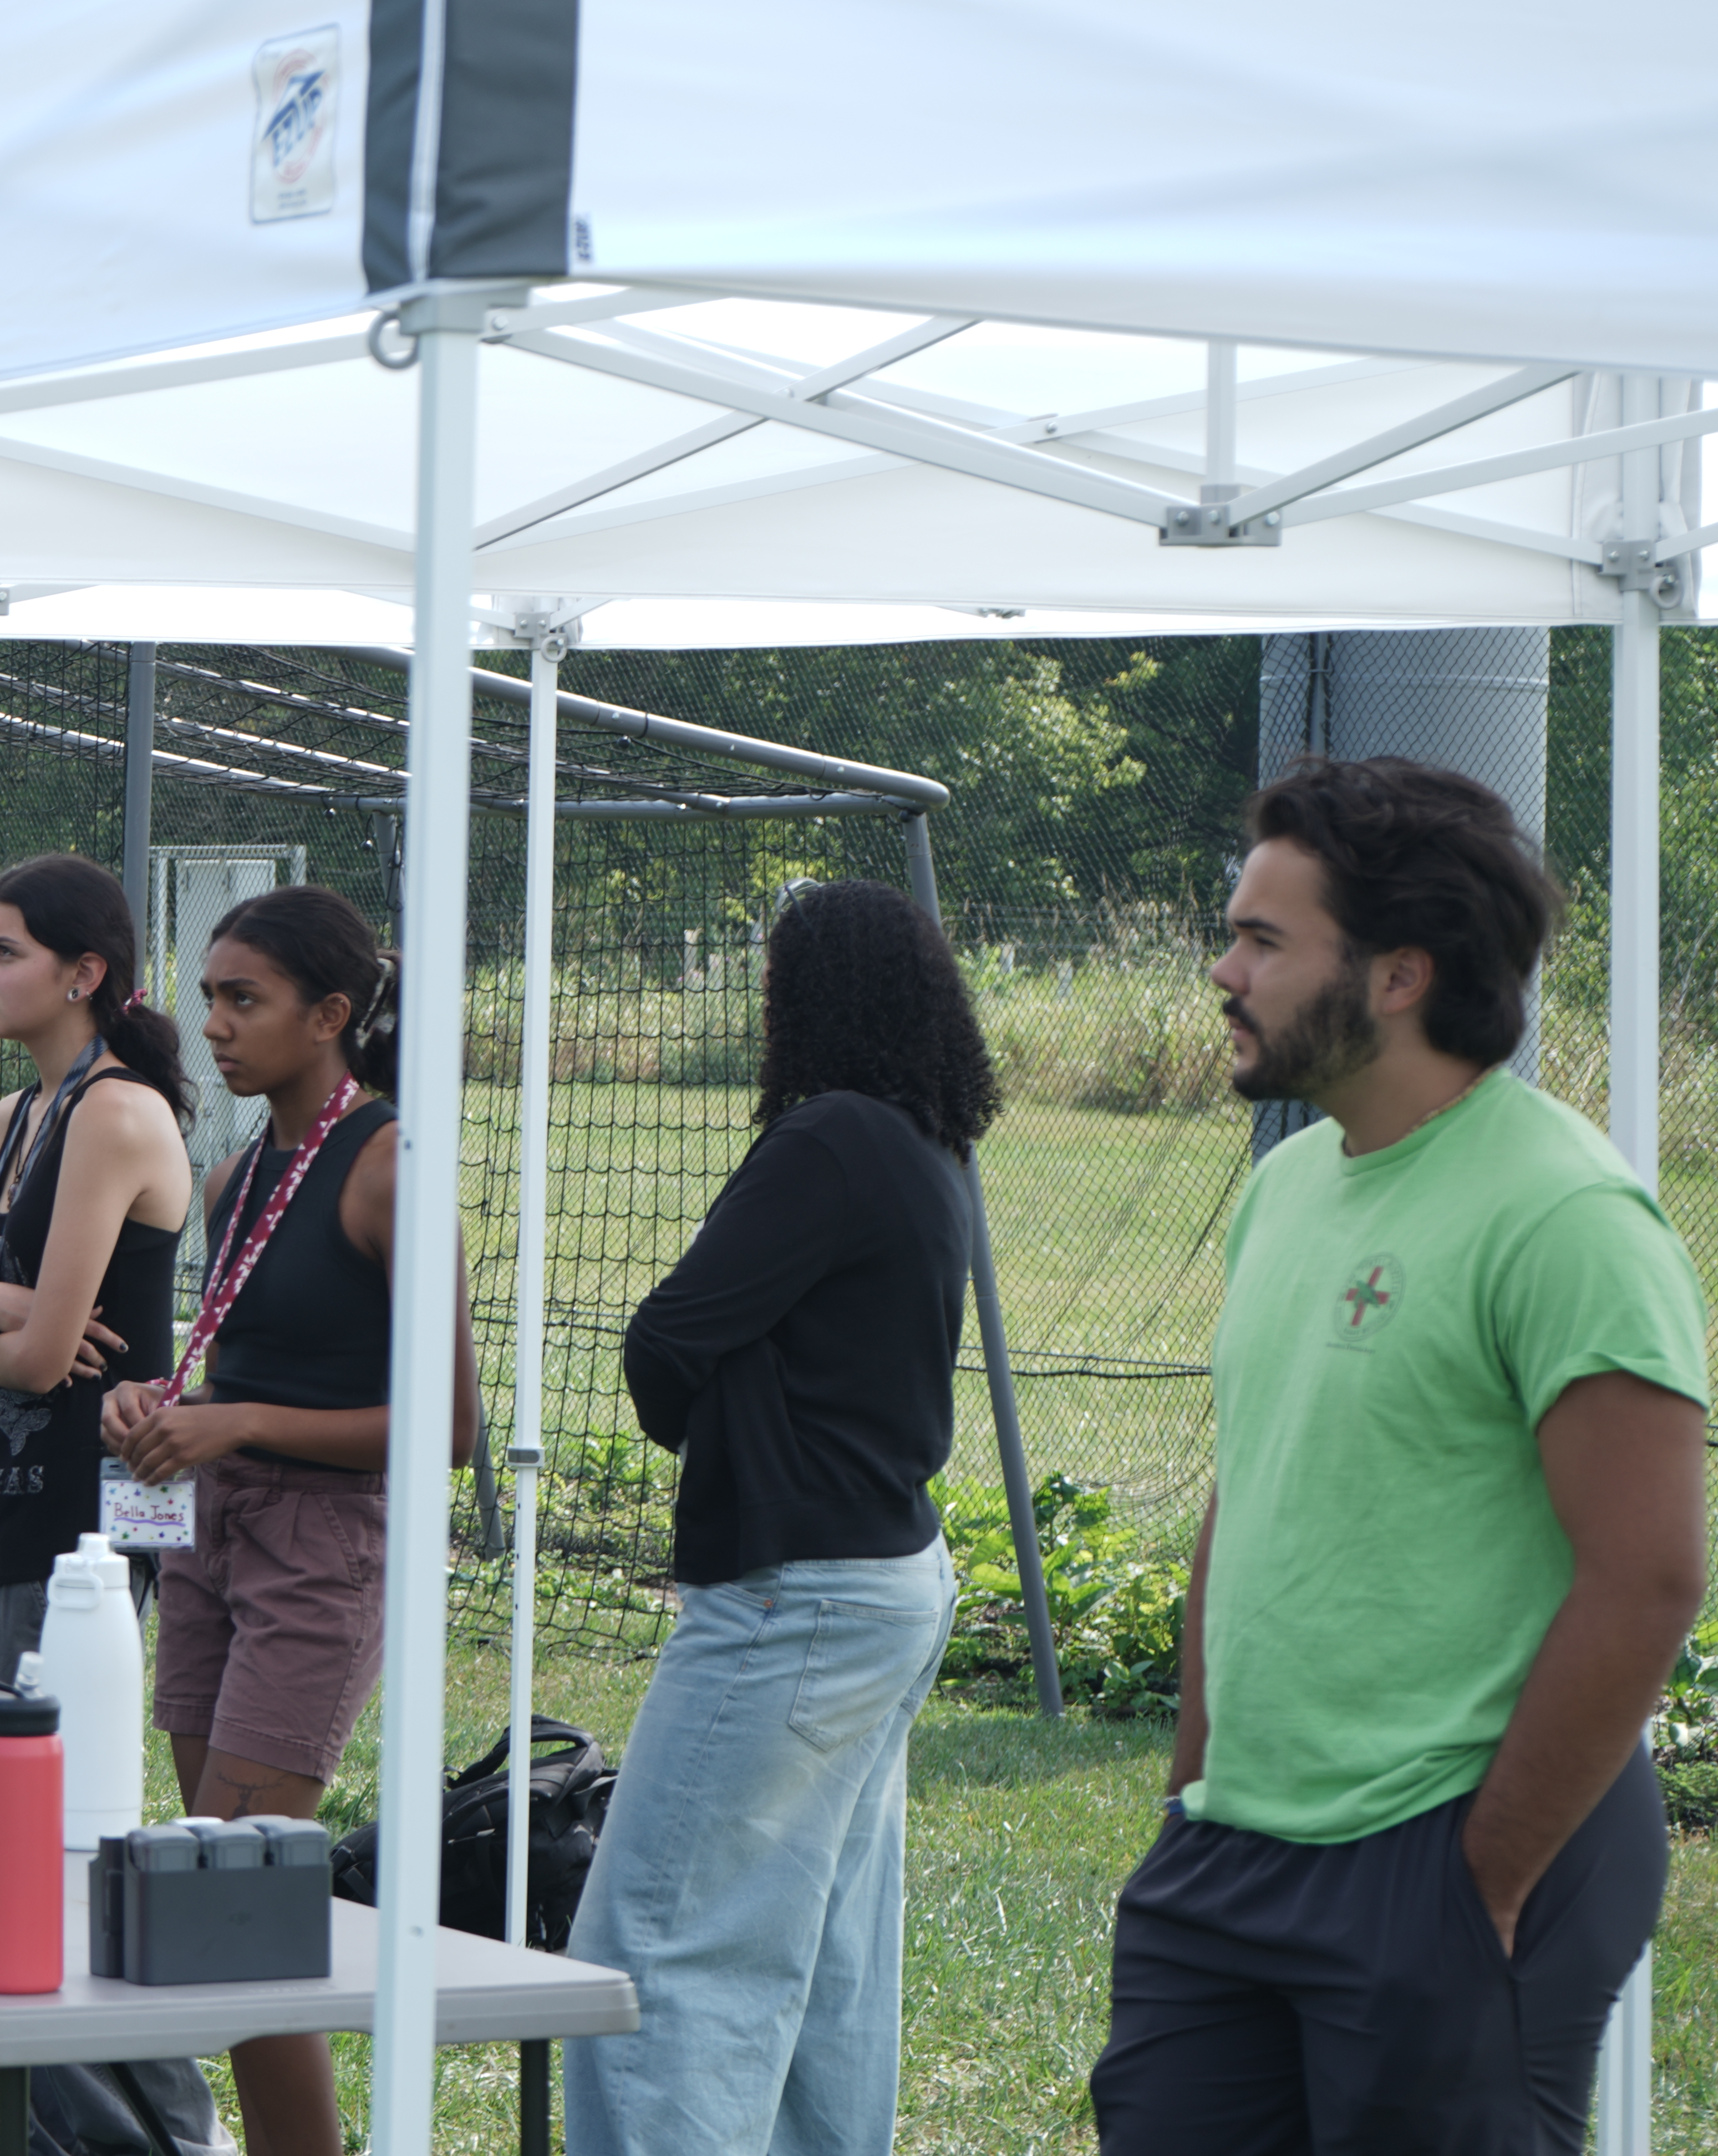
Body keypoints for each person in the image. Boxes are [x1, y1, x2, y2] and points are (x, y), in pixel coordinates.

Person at [1090, 757, 1705, 2154]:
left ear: (1396, 975)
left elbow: (1649, 1576)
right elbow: (1252, 1488)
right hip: (1232, 1849)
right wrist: (1195, 1779)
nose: (1220, 969)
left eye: (1261, 938)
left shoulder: (1566, 1217)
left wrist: (1482, 1879)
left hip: (1449, 1846)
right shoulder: (1287, 1185)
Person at [560, 879, 992, 2154]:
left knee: (657, 1941)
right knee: (828, 1946)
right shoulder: (927, 1144)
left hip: (795, 1597)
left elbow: (666, 1342)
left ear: (811, 997)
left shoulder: (828, 1139)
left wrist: (737, 1424)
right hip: (886, 1577)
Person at [98, 883, 471, 2156]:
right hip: (211, 1532)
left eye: (242, 999)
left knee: (241, 1909)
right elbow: (256, 1357)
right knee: (219, 1905)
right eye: (205, 994)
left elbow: (449, 1430)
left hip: (324, 1545)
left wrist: (238, 1423)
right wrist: (171, 1404)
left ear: (329, 1016)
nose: (212, 1023)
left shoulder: (387, 1163)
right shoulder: (239, 1165)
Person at [0, 854, 194, 1811]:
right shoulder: (4, 1124)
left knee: (25, 1809)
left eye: (4, 952)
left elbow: (39, 1367)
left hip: (78, 1519)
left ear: (83, 974)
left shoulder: (115, 1115)